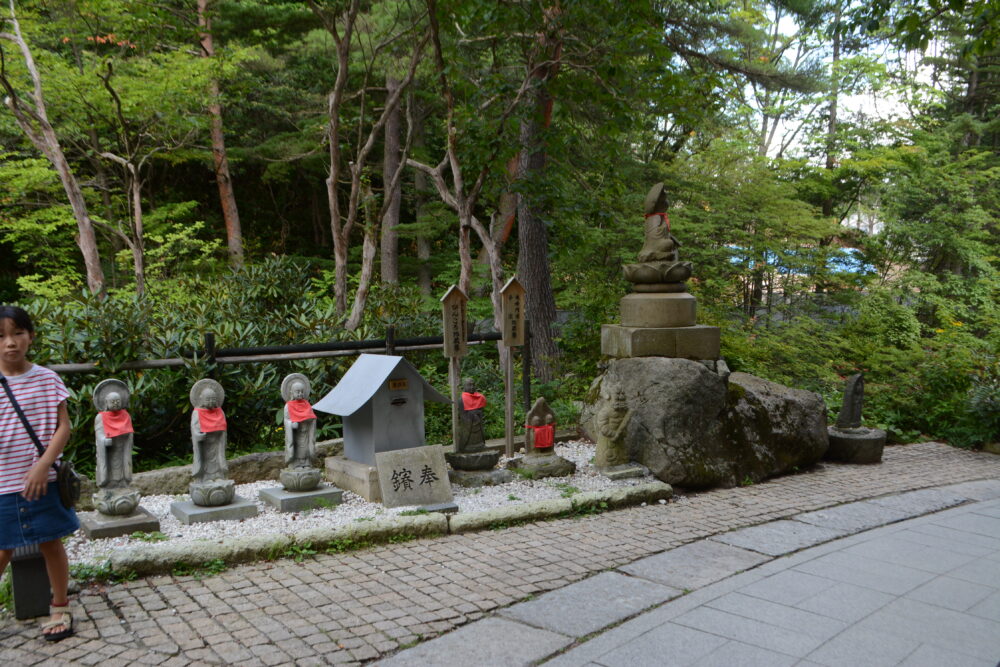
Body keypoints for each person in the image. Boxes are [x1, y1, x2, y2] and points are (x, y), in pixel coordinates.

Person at [0, 305, 78, 641]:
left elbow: (64, 426)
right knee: (2, 548)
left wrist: (42, 464)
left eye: (17, 333)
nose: (10, 343)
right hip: (2, 485)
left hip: (42, 481)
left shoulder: (47, 378)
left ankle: (60, 604)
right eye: (1, 336)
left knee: (51, 544)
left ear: (31, 336)